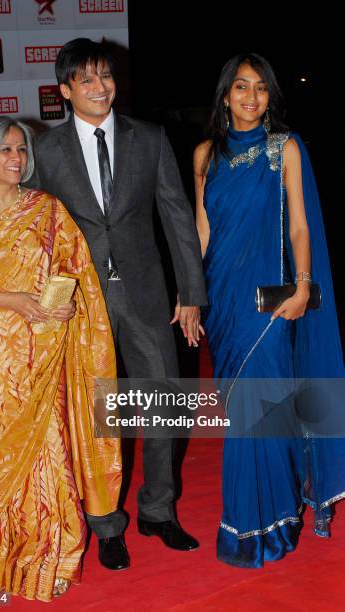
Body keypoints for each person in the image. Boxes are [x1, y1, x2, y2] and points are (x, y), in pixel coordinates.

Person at [26, 38, 208, 570]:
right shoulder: (45, 151)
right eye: (86, 80)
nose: (101, 87)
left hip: (147, 292)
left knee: (164, 404)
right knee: (96, 416)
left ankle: (158, 510)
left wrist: (191, 293)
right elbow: (34, 230)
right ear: (65, 90)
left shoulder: (149, 138)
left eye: (106, 76)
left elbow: (176, 217)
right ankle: (105, 524)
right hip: (78, 301)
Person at [0, 116, 122, 601]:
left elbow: (70, 271)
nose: (15, 158)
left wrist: (64, 302)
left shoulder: (46, 209)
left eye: (20, 149)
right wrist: (12, 299)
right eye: (4, 150)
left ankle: (53, 556)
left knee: (47, 453)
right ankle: (8, 556)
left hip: (40, 348)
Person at [194, 53, 345, 568]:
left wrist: (303, 285)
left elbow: (299, 225)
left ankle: (266, 523)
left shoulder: (286, 149)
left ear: (270, 97)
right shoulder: (205, 155)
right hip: (223, 299)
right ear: (225, 95)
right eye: (241, 87)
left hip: (269, 300)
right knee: (241, 407)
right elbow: (202, 232)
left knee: (266, 409)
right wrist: (191, 294)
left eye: (260, 88)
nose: (251, 97)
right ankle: (261, 522)